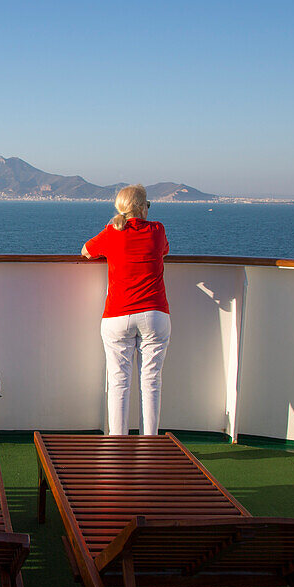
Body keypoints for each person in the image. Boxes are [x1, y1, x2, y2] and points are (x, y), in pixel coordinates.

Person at [81, 184, 170, 436]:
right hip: (155, 314)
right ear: (143, 208)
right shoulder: (157, 230)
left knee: (119, 382)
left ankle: (118, 443)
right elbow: (165, 250)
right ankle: (149, 443)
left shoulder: (111, 233)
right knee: (151, 381)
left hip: (118, 315)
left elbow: (86, 251)